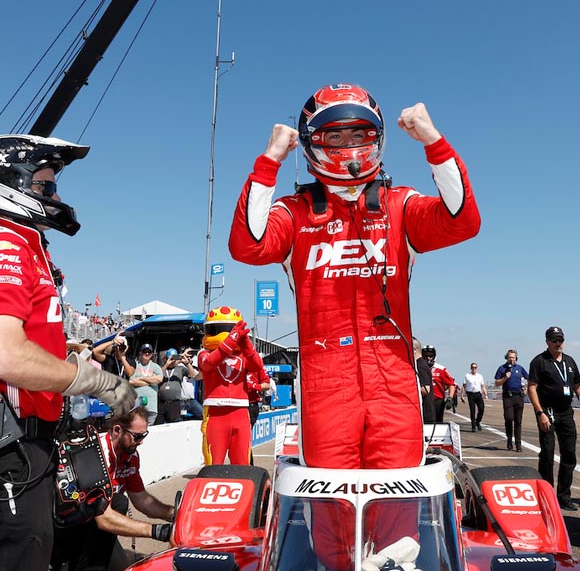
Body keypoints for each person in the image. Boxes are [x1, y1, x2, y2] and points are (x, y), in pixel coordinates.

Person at [229, 83, 480, 469]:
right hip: (325, 387)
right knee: (330, 504)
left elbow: (463, 221)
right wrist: (270, 160)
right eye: (335, 135)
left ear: (375, 137)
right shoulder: (294, 212)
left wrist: (433, 140)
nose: (348, 144)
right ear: (314, 141)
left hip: (394, 385)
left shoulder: (400, 204)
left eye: (358, 133)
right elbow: (247, 245)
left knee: (400, 502)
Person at [0, 134, 135, 571]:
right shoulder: (2, 245)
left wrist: (70, 364)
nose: (56, 197)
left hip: (13, 446)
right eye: (46, 186)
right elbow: (4, 356)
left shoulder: (23, 245)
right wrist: (96, 380)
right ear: (11, 184)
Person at [52, 407, 175, 571]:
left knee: (118, 570)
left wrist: (176, 513)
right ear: (117, 430)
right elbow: (102, 517)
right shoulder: (93, 453)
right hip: (61, 527)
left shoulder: (130, 455)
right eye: (137, 436)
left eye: (144, 435)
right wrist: (160, 532)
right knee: (109, 504)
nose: (141, 441)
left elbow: (141, 499)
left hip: (88, 524)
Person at [527, 326, 580, 510]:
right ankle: (546, 497)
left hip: (566, 412)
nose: (558, 343)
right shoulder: (539, 361)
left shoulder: (570, 361)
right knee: (547, 454)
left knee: (569, 455)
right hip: (547, 412)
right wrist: (540, 413)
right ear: (547, 342)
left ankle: (564, 497)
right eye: (554, 340)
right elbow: (532, 388)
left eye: (560, 340)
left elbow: (578, 386)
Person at [198, 306, 261, 466]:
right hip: (215, 412)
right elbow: (209, 363)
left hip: (241, 412)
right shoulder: (204, 353)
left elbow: (257, 366)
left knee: (242, 465)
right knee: (213, 465)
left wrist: (246, 344)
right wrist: (232, 340)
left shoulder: (243, 354)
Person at [494, 349, 529, 451]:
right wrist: (505, 377)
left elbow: (529, 378)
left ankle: (518, 444)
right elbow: (497, 383)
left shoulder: (520, 368)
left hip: (519, 396)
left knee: (518, 421)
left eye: (513, 357)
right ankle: (509, 439)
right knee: (509, 418)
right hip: (508, 397)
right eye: (510, 357)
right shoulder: (502, 368)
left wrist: (526, 389)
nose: (512, 359)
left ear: (516, 358)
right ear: (507, 358)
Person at [129, 343, 161, 425]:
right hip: (137, 407)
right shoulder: (135, 365)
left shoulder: (156, 366)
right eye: (144, 351)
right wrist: (150, 382)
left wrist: (141, 378)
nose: (147, 353)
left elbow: (159, 379)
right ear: (140, 353)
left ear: (151, 354)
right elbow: (131, 381)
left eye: (149, 352)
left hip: (151, 407)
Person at [422, 345, 456, 423]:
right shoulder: (417, 368)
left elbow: (451, 384)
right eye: (425, 356)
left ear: (434, 356)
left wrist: (450, 398)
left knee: (437, 423)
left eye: (430, 356)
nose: (428, 358)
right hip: (423, 400)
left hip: (437, 401)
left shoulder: (441, 369)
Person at [413, 337, 435, 423]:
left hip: (425, 413)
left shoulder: (420, 366)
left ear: (414, 350)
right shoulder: (419, 364)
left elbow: (425, 389)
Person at [462, 362, 488, 431]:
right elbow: (464, 386)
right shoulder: (467, 376)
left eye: (475, 367)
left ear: (477, 368)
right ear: (471, 368)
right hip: (470, 394)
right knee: (472, 410)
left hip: (478, 394)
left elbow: (482, 386)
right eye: (473, 367)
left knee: (481, 408)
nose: (474, 369)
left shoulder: (480, 376)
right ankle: (473, 426)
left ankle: (477, 421)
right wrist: (462, 395)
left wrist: (485, 394)